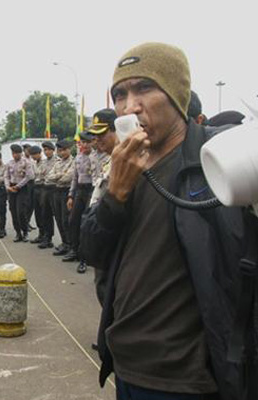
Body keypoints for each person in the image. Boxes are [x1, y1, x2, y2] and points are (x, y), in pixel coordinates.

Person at [80, 42, 257, 400]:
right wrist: (115, 194)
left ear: (177, 96)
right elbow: (90, 249)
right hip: (126, 363)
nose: (130, 106)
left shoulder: (218, 160)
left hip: (186, 378)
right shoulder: (123, 166)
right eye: (120, 94)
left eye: (145, 87)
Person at [84, 109, 118, 307]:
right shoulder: (112, 159)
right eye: (94, 135)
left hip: (113, 233)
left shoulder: (127, 160)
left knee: (109, 289)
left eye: (102, 134)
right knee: (103, 286)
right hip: (102, 228)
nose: (96, 140)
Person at [63, 135, 94, 273]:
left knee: (85, 224)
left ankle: (84, 259)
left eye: (87, 142)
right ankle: (74, 250)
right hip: (79, 191)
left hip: (92, 191)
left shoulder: (97, 157)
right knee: (73, 220)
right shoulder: (79, 157)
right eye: (82, 143)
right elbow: (75, 179)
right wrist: (70, 195)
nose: (84, 145)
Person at [47, 140, 75, 257]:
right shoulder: (57, 163)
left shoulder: (73, 162)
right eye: (60, 151)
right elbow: (49, 177)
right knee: (58, 218)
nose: (62, 153)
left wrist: (57, 177)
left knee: (66, 220)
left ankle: (70, 244)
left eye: (64, 150)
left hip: (66, 192)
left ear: (69, 149)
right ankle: (64, 243)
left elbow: (68, 177)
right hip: (56, 192)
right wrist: (60, 175)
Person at [4, 144, 34, 242]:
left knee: (20, 211)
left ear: (21, 153)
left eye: (17, 153)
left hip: (22, 188)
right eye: (13, 153)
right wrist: (8, 187)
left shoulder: (26, 162)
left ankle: (25, 232)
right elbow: (6, 176)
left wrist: (18, 186)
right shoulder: (9, 163)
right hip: (12, 188)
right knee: (13, 211)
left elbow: (29, 176)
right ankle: (18, 233)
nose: (15, 155)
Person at [37, 141, 59, 249]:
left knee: (59, 216)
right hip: (45, 189)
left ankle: (65, 241)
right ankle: (47, 238)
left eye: (48, 149)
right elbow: (40, 175)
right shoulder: (43, 162)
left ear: (53, 150)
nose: (46, 152)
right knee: (45, 214)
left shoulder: (58, 161)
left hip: (55, 189)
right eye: (45, 150)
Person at [29, 146, 45, 244]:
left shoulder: (45, 162)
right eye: (32, 155)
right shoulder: (35, 163)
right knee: (37, 213)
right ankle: (41, 234)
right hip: (36, 188)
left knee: (44, 213)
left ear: (39, 153)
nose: (33, 157)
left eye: (34, 155)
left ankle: (46, 236)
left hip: (44, 188)